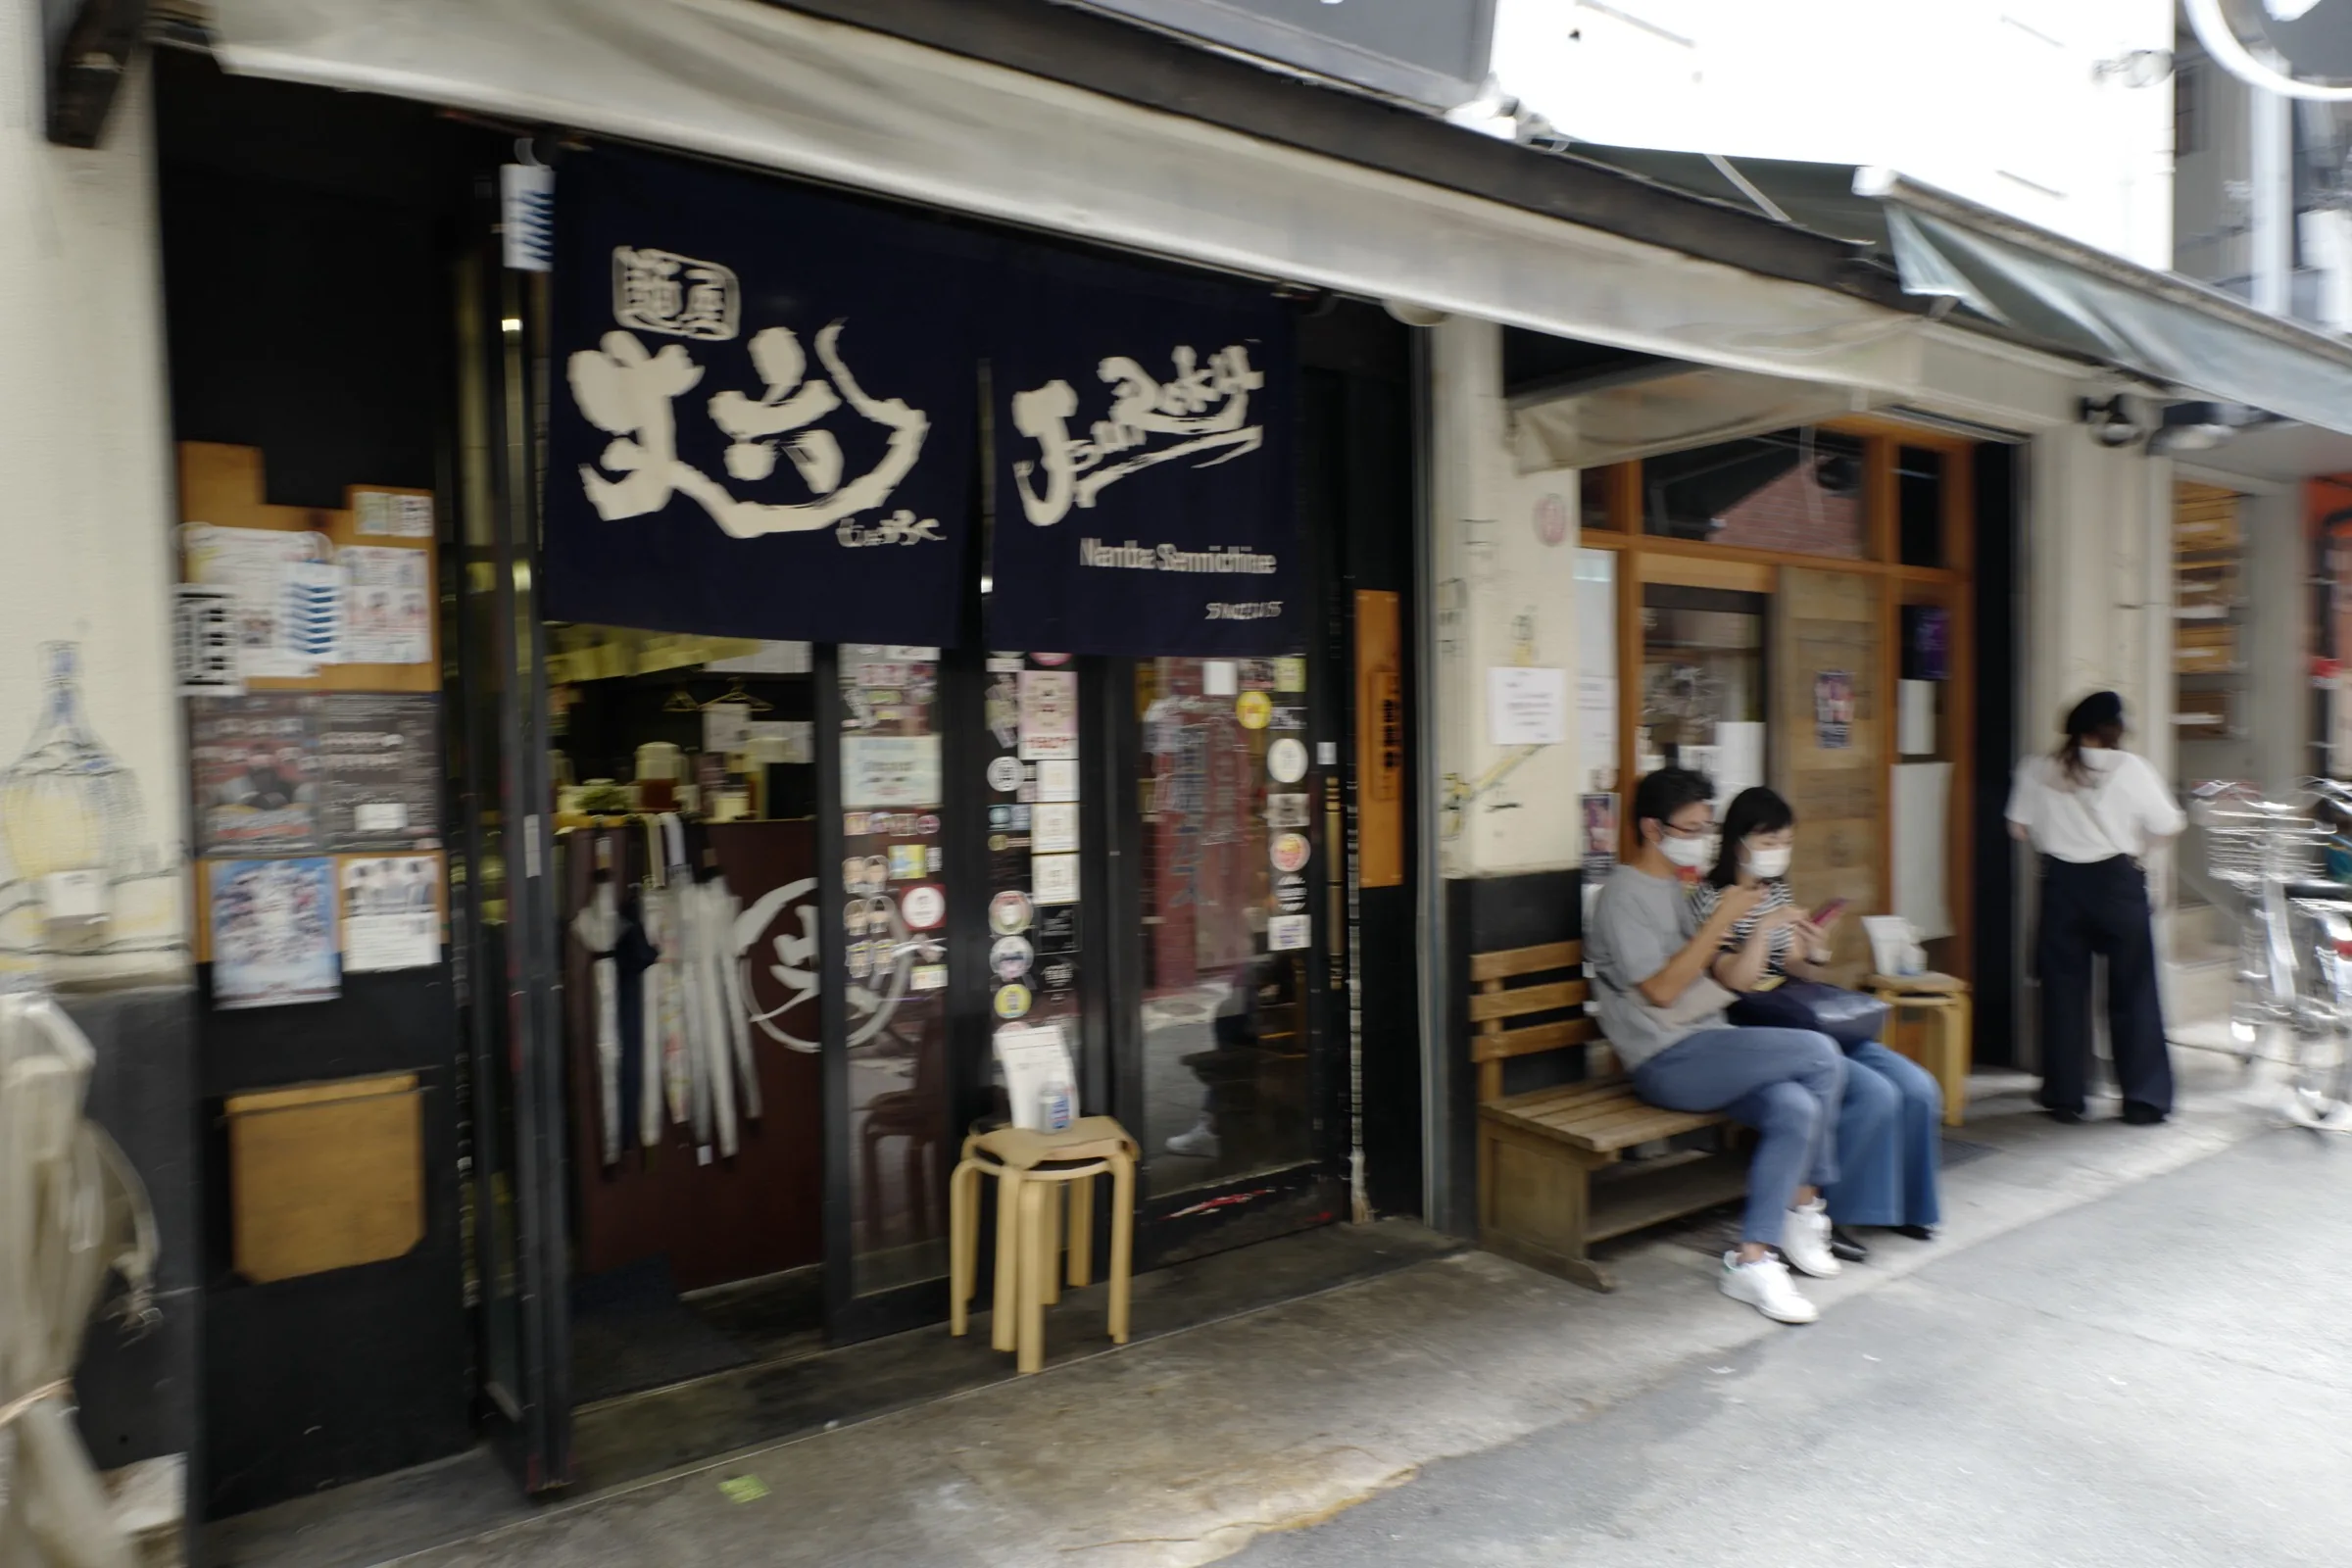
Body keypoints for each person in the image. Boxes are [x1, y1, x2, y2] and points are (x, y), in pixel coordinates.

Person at [1586, 766, 1846, 1325]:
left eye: (1708, 827)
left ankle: (1753, 1258)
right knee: (1820, 1054)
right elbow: (1660, 991)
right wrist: (1720, 921)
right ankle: (1805, 1205)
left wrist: (1757, 931)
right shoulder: (1621, 895)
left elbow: (1720, 978)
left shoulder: (1676, 889)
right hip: (1665, 1060)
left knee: (1796, 1107)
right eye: (1693, 828)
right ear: (1653, 829)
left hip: (1711, 1044)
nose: (1705, 839)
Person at [1693, 787, 1941, 1259]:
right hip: (1754, 1023)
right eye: (1768, 841)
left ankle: (1908, 1208)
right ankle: (1829, 1214)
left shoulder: (1775, 890)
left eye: (1785, 842)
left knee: (1917, 1086)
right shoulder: (1710, 900)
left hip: (1799, 1012)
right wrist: (1762, 930)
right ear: (1738, 842)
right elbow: (1735, 981)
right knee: (1875, 1093)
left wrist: (1817, 950)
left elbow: (1794, 968)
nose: (1777, 852)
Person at [2007, 691, 2184, 1125]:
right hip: (2117, 882)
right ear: (2115, 730)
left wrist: (2057, 833)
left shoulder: (2037, 768)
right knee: (2134, 990)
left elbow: (2018, 829)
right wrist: (2140, 848)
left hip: (2061, 885)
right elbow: (2169, 823)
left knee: (2062, 991)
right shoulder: (2132, 768)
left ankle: (2065, 1096)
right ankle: (2143, 1099)